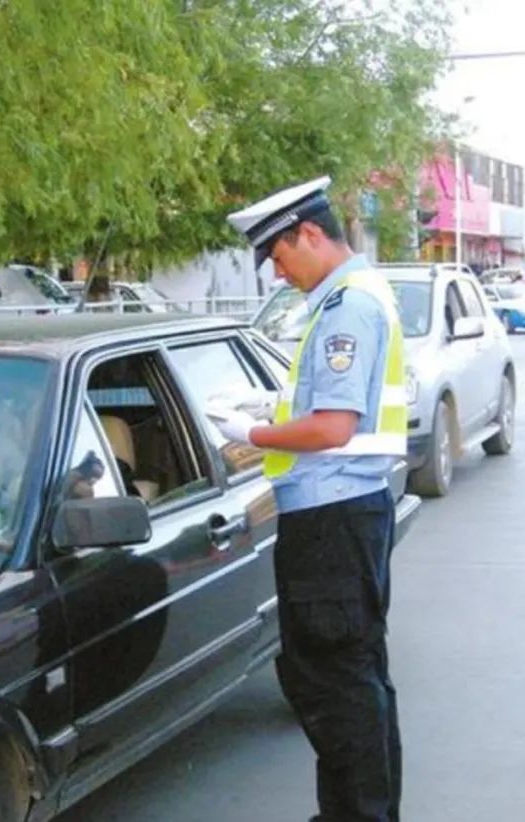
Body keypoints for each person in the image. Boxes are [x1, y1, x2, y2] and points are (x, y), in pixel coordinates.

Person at [211, 176, 406, 822]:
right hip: (348, 515)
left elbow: (332, 427)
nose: (275, 272)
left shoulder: (347, 306)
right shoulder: (353, 296)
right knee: (356, 680)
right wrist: (271, 410)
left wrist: (250, 431)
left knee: (333, 684)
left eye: (278, 254)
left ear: (311, 234)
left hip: (331, 522)